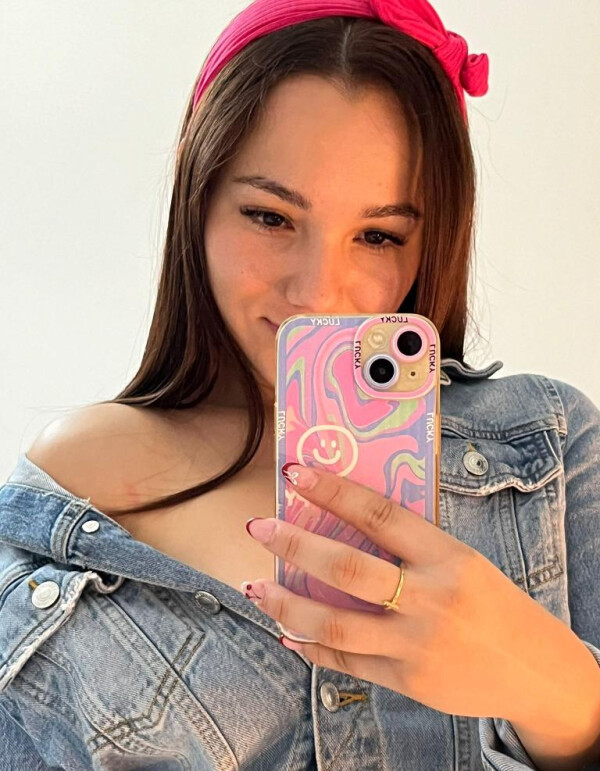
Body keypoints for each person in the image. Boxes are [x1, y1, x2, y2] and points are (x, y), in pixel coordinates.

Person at [1, 0, 599, 769]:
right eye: (271, 216)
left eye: (378, 235)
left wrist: (559, 691)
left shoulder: (547, 444)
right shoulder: (79, 481)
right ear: (198, 200)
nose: (318, 290)